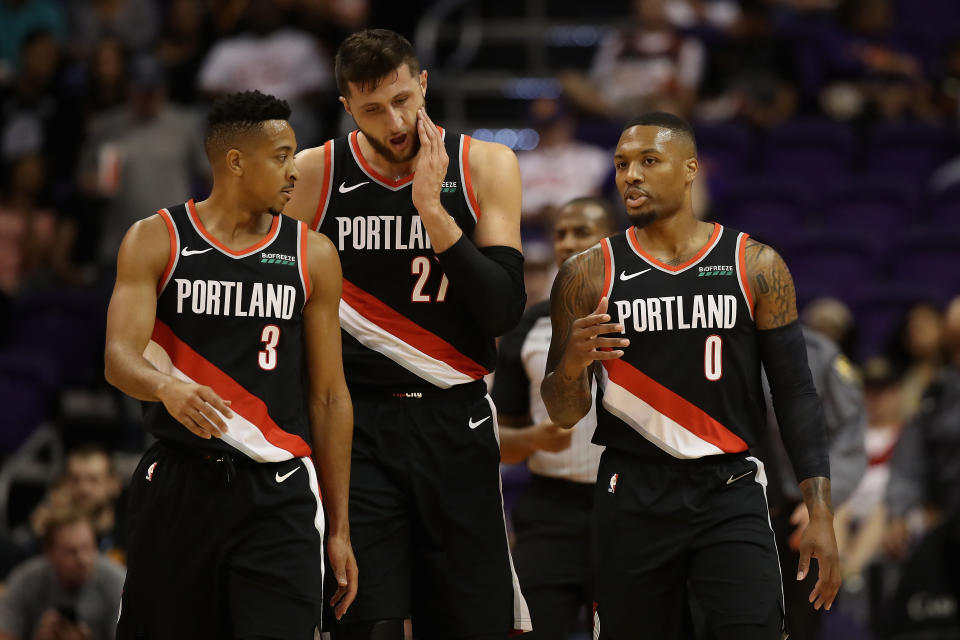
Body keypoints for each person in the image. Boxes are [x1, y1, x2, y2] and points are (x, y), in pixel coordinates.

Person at [541, 112, 841, 639]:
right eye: (621, 164)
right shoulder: (586, 273)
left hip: (730, 488)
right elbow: (565, 412)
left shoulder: (756, 264)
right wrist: (570, 362)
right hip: (631, 492)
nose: (630, 175)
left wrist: (820, 512)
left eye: (648, 161)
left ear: (689, 169)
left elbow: (796, 394)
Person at [283, 28, 530, 640]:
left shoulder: (484, 164)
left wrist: (433, 212)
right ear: (347, 109)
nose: (393, 120)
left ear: (423, 84)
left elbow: (502, 311)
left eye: (402, 99)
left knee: (470, 621)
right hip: (355, 425)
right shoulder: (314, 174)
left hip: (457, 417)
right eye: (372, 109)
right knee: (368, 619)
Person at [103, 90, 356, 639]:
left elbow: (331, 395)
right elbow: (118, 360)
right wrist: (165, 388)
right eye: (282, 156)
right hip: (179, 481)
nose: (295, 171)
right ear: (236, 162)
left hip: (279, 492)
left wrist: (340, 526)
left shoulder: (311, 253)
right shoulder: (156, 238)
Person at [492, 197, 616, 640]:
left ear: (613, 240)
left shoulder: (643, 313)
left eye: (581, 231)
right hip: (550, 512)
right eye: (560, 234)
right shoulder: (528, 327)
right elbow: (495, 440)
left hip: (627, 504)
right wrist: (532, 440)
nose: (566, 243)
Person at [0, 508, 125, 640]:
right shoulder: (25, 582)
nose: (83, 559)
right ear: (49, 552)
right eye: (71, 552)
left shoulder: (116, 581)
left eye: (88, 547)